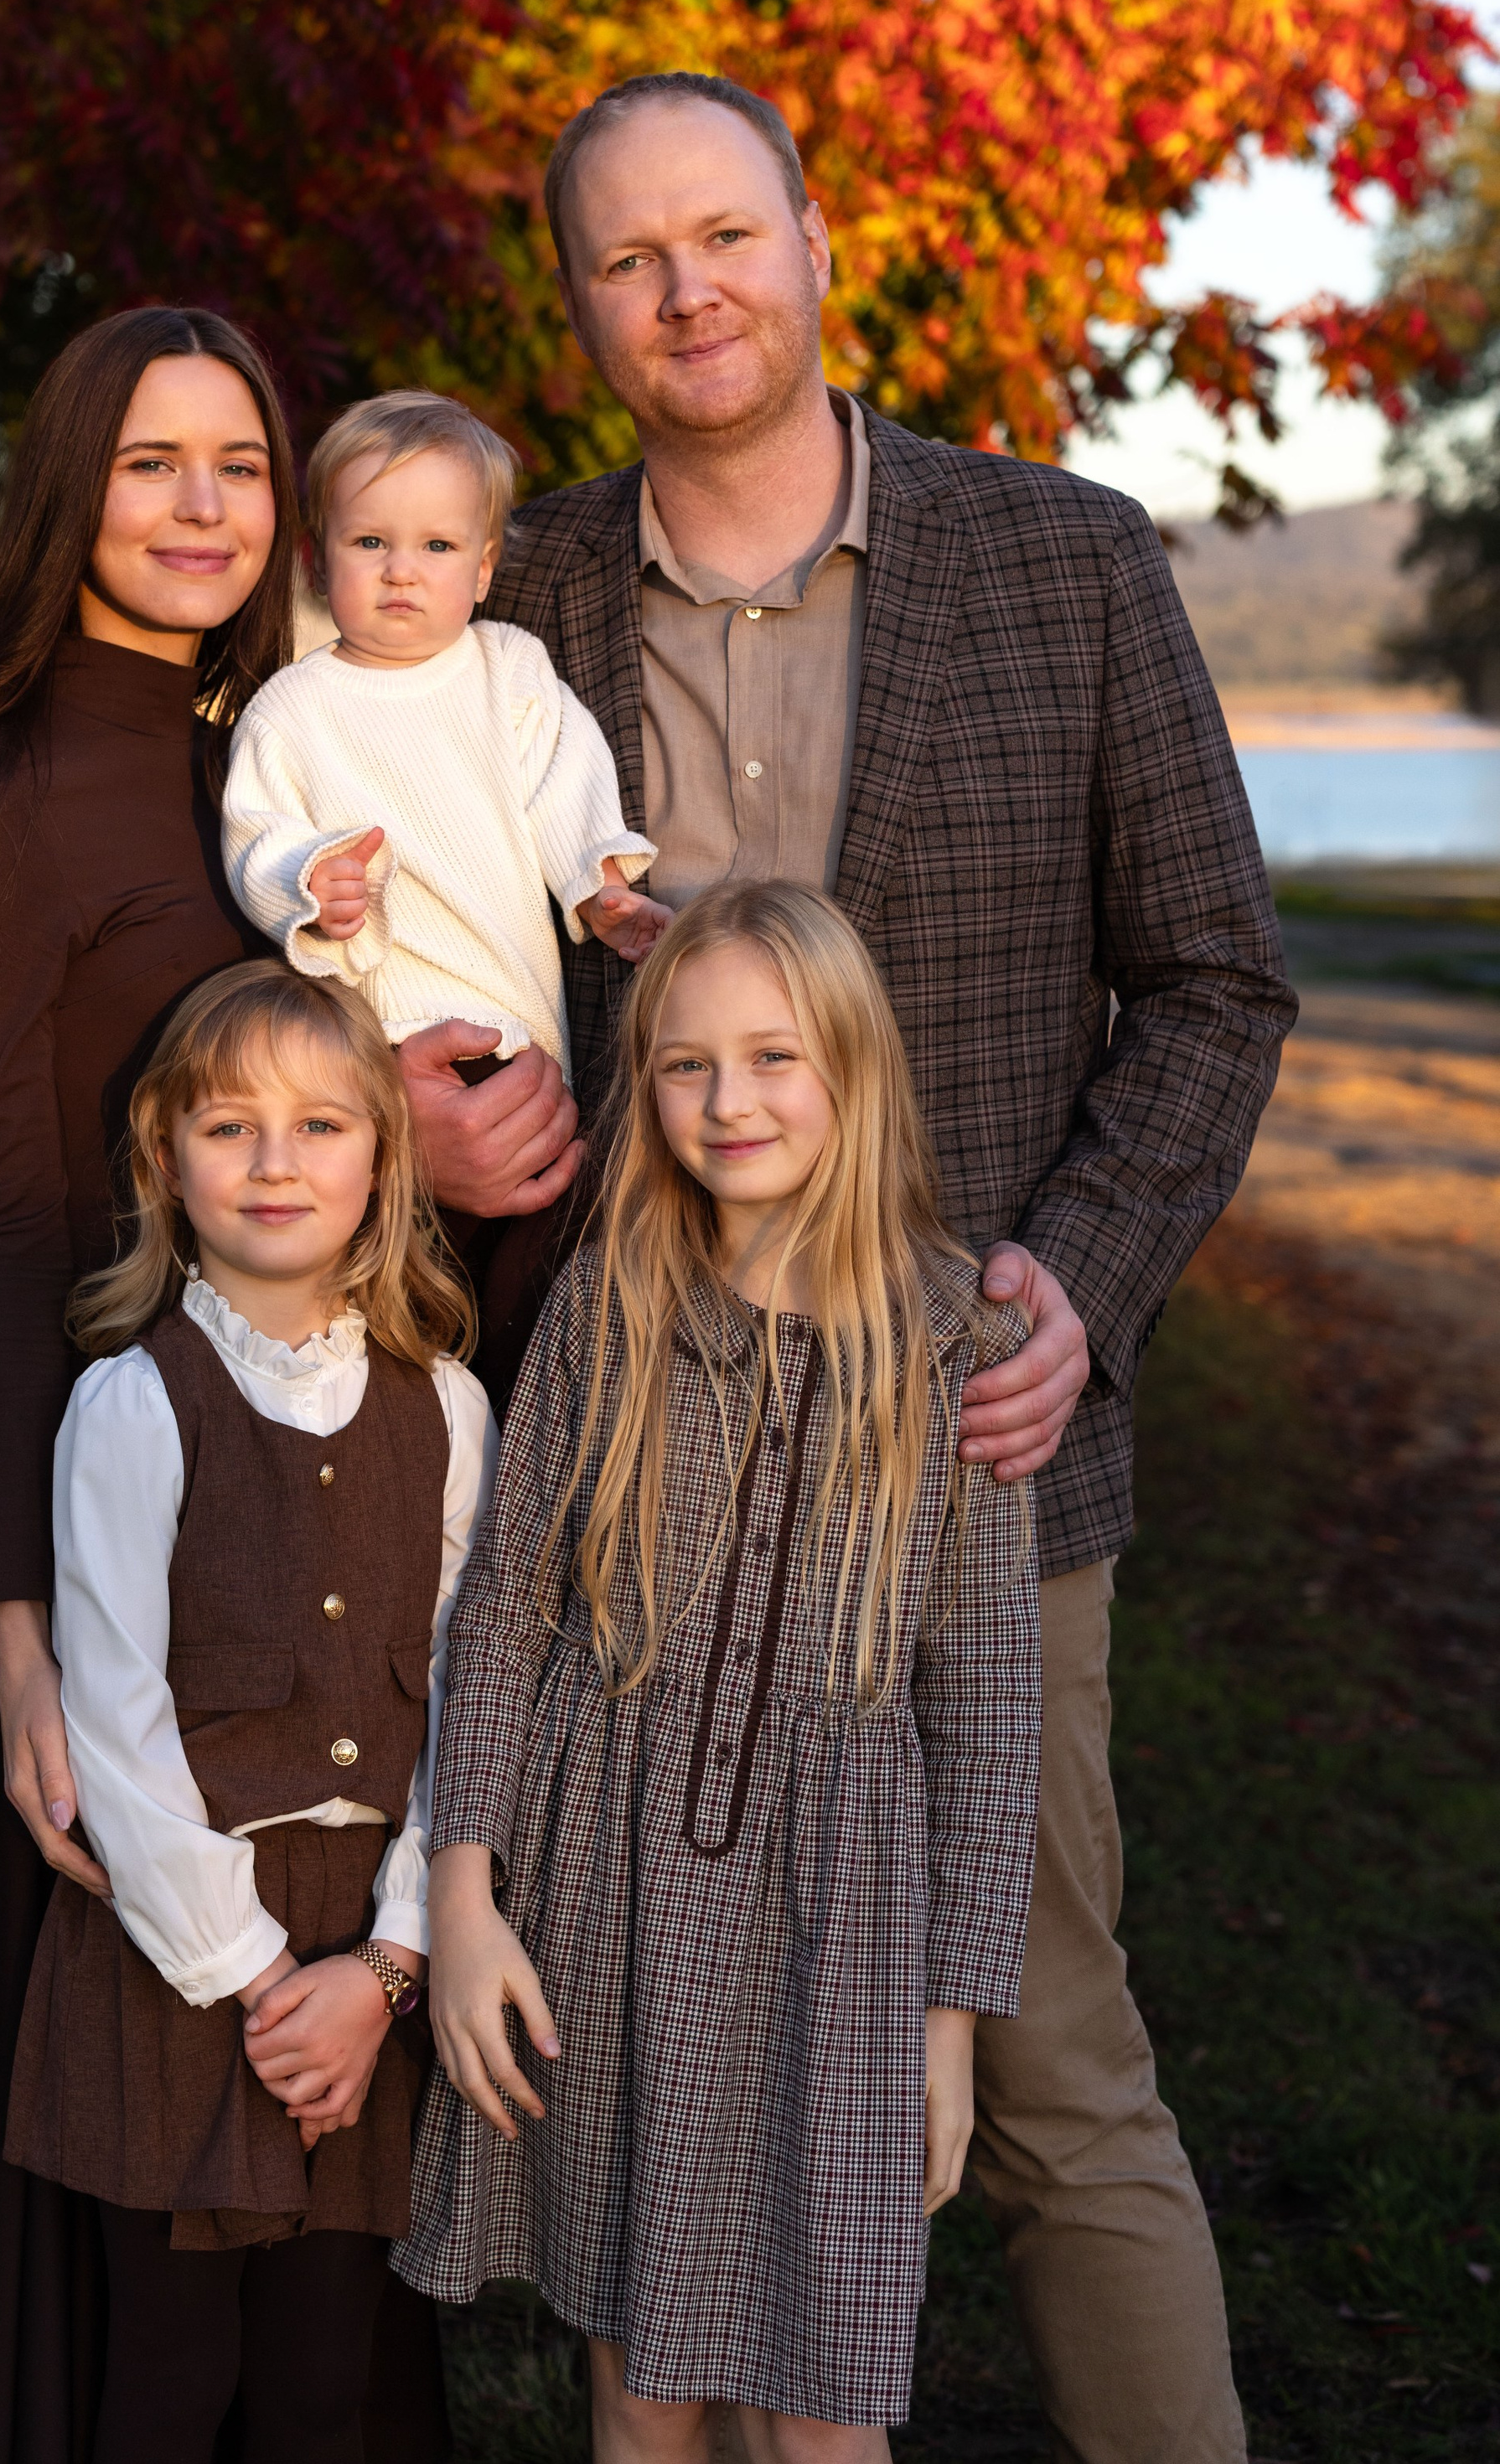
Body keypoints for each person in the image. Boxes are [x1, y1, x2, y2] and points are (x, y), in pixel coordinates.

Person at [417, 70, 1295, 2464]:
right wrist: (425, 1083)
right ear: (580, 300)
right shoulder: (515, 598)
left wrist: (1082, 1283)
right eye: (628, 256)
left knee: (1036, 2049)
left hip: (966, 1456)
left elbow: (1217, 974)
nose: (686, 287)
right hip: (634, 1477)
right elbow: (398, 930)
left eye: (726, 232)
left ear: (816, 238)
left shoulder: (1069, 560)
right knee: (634, 2026)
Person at [0, 307, 450, 2464]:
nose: (199, 509)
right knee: (118, 2166)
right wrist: (15, 1633)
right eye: (152, 463)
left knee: (320, 2236)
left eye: (240, 466)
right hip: (91, 1527)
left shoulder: (283, 757)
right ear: (71, 491)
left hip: (317, 1499)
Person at [400, 881, 1041, 2459]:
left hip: (845, 1928)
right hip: (611, 1897)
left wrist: (952, 2017)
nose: (729, 1100)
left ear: (852, 1069)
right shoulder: (608, 1309)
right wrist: (464, 1899)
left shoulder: (956, 1337)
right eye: (685, 1064)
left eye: (772, 1056)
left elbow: (991, 1706)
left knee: (822, 2407)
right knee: (644, 2386)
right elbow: (504, 1614)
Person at [2, 963, 495, 2464]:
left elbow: (470, 1694)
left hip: (370, 1952)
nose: (277, 1160)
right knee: (166, 2384)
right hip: (179, 1955)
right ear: (165, 1160)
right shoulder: (134, 1401)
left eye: (322, 1123)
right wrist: (261, 1972)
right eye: (230, 1125)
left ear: (383, 1162)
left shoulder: (451, 1406)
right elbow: (118, 1725)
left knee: (316, 2392)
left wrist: (390, 1964)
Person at [221, 390, 667, 1075]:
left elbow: (565, 772)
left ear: (483, 568)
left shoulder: (508, 667)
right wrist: (308, 881)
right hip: (379, 1036)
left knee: (545, 1166)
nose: (402, 569)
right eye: (370, 542)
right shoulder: (289, 710)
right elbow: (255, 833)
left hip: (518, 1024)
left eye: (438, 545)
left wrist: (597, 881)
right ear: (317, 561)